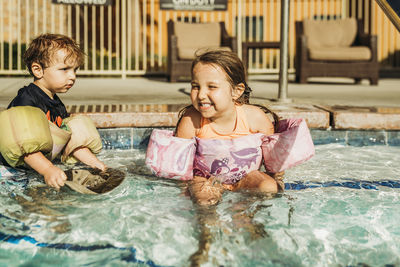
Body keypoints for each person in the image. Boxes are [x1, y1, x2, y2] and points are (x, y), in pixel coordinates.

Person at [175, 50, 283, 205]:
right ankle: (208, 226)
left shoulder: (255, 118)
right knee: (204, 198)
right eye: (195, 86)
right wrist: (185, 190)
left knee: (268, 187)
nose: (201, 95)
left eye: (211, 86)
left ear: (236, 91)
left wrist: (278, 181)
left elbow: (275, 164)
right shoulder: (191, 120)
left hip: (247, 178)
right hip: (205, 179)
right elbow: (180, 169)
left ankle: (249, 223)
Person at [0, 33, 106, 189]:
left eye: (75, 70)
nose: (73, 76)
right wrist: (48, 169)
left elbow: (68, 139)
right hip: (10, 171)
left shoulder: (57, 104)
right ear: (38, 70)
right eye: (64, 69)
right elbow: (24, 145)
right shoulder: (27, 100)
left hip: (37, 168)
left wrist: (96, 164)